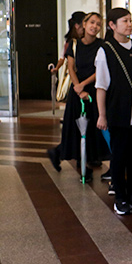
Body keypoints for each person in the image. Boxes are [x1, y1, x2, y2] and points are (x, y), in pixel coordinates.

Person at [95, 8, 132, 216]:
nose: (129, 24)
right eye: (124, 21)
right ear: (112, 25)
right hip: (118, 113)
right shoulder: (106, 50)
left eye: (130, 20)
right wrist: (102, 115)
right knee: (119, 156)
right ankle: (120, 197)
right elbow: (101, 86)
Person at [47, 12, 109, 176]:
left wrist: (83, 85)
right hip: (77, 94)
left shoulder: (102, 45)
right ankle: (81, 165)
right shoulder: (73, 44)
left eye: (98, 24)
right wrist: (77, 87)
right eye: (92, 22)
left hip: (94, 90)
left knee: (92, 129)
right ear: (84, 24)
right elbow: (71, 68)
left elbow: (100, 71)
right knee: (77, 129)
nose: (94, 26)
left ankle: (85, 161)